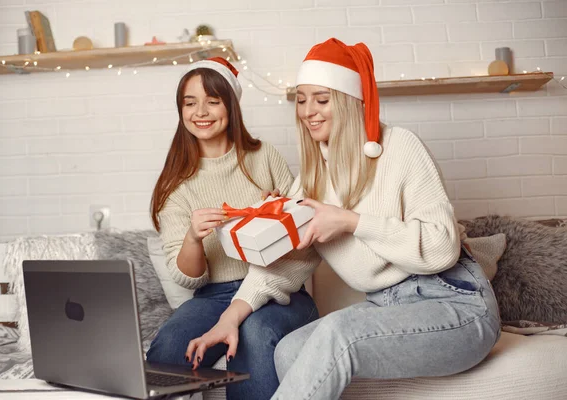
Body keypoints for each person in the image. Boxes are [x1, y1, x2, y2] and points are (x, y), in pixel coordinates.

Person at [265, 38, 502, 399]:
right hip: (387, 306)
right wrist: (231, 316)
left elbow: (442, 248)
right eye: (301, 99)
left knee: (338, 331)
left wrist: (351, 221)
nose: (308, 111)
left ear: (346, 102)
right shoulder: (312, 181)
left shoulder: (400, 146)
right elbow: (289, 263)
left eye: (322, 99)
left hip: (456, 303)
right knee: (288, 350)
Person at [145, 57, 320, 400]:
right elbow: (188, 278)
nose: (202, 112)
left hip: (279, 291)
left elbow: (306, 230)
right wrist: (194, 237)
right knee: (168, 346)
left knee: (254, 333)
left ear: (231, 105)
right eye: (190, 103)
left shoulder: (264, 156)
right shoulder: (175, 184)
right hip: (212, 296)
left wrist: (280, 213)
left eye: (213, 101)